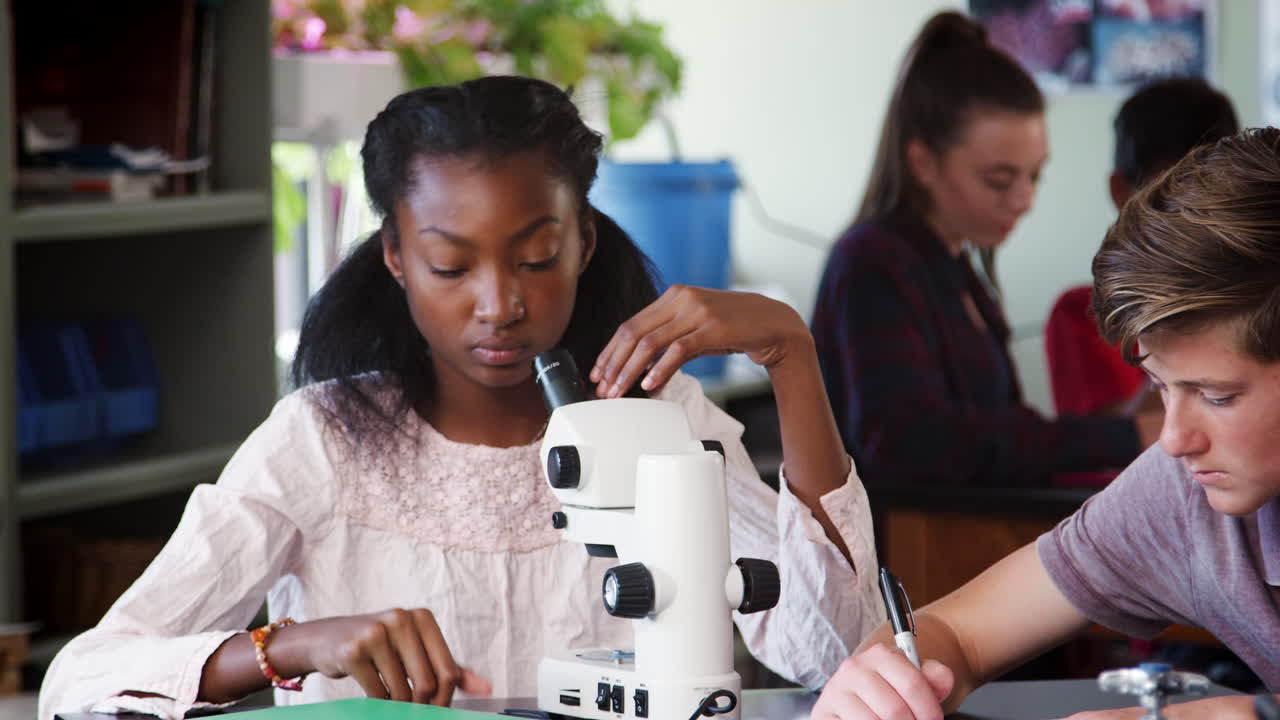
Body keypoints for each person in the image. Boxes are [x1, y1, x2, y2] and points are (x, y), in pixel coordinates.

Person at [39, 76, 883, 720]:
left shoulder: (662, 425)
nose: (499, 304)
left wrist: (792, 356)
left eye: (536, 256)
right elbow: (79, 684)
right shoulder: (320, 442)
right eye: (450, 265)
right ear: (398, 258)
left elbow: (838, 652)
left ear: (584, 243)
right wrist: (293, 645)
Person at [811, 127, 1280, 720]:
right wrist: (879, 681)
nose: (1172, 438)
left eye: (1217, 396)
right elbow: (962, 632)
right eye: (1162, 388)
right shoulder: (1183, 487)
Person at [810, 11, 1160, 488]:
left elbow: (1001, 434)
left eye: (1034, 175)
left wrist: (1133, 415)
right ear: (923, 162)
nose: (1024, 200)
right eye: (999, 179)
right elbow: (909, 444)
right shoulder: (872, 264)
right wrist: (1123, 435)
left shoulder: (956, 267)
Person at [1045, 76, 1239, 417]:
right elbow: (1100, 448)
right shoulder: (1079, 313)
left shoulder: (1257, 300)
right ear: (1120, 191)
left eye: (1211, 197)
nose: (1193, 221)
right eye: (1169, 200)